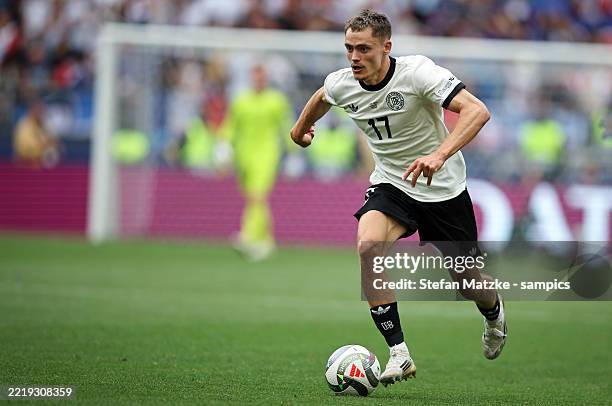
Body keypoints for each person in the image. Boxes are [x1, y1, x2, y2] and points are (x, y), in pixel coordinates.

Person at [290, 9, 506, 386]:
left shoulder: (417, 73)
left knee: (467, 280)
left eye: (364, 49)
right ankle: (399, 353)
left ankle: (494, 313)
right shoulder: (343, 82)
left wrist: (439, 155)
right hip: (393, 183)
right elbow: (324, 96)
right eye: (349, 48)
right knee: (368, 247)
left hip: (442, 189)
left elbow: (477, 111)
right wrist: (301, 127)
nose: (354, 57)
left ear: (386, 47)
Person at [223, 64, 292, 261]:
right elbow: (231, 126)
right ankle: (267, 241)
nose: (259, 80)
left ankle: (247, 236)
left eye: (262, 76)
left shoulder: (276, 100)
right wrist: (224, 147)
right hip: (244, 157)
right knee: (255, 199)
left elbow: (286, 126)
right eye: (256, 76)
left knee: (257, 196)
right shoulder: (241, 101)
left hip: (267, 154)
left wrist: (294, 152)